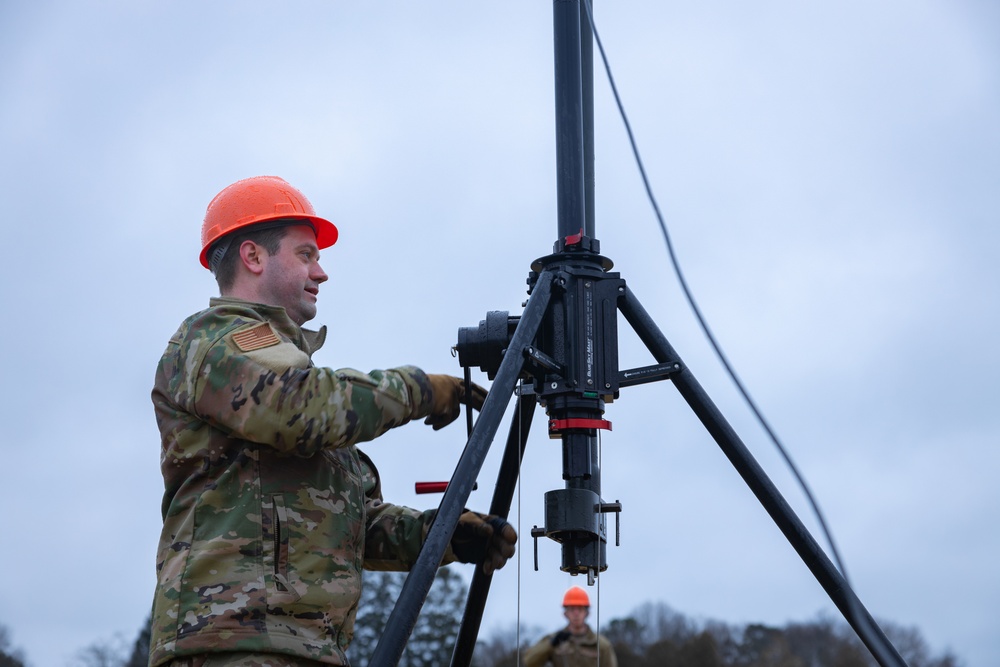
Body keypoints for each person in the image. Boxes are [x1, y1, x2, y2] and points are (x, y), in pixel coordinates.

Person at [149, 175, 517, 667]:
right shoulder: (213, 342)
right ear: (254, 257)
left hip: (310, 649)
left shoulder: (297, 376)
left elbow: (357, 524)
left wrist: (444, 534)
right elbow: (300, 410)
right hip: (232, 645)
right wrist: (421, 390)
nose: (320, 273)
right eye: (306, 255)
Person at [523, 586, 618, 667]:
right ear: (565, 613)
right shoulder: (554, 640)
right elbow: (529, 662)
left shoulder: (601, 645)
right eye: (572, 609)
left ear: (587, 613)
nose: (576, 614)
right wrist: (551, 644)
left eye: (580, 609)